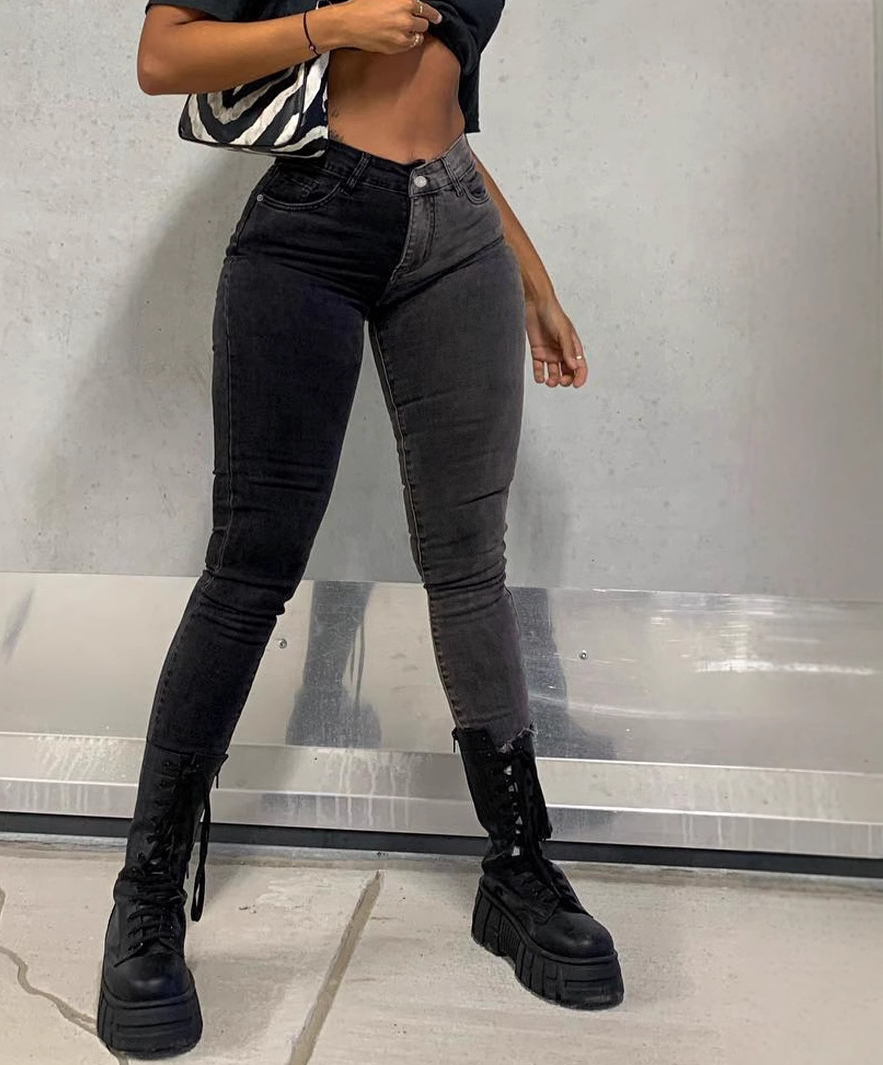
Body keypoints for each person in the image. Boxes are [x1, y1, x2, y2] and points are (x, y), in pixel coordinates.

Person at [98, 1, 624, 1056]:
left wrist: (533, 278)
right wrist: (328, 24)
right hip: (310, 220)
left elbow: (438, 113)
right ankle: (147, 892)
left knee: (470, 566)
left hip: (460, 228)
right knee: (251, 566)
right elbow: (164, 56)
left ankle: (518, 867)